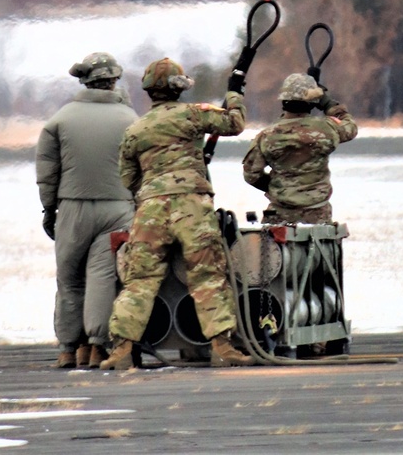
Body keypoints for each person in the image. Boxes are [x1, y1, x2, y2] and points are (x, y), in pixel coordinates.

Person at [101, 57, 252, 371]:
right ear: (179, 88)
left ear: (148, 92)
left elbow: (128, 179)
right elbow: (234, 124)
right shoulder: (194, 115)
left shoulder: (135, 130)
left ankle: (121, 352)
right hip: (192, 207)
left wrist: (153, 189)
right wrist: (235, 93)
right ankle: (222, 348)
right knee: (208, 276)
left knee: (139, 280)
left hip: (151, 208)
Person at [36, 51, 137, 369]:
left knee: (69, 279)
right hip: (119, 208)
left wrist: (49, 209)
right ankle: (96, 346)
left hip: (72, 207)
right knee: (103, 277)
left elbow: (48, 171)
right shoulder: (131, 120)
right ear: (113, 82)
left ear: (84, 81)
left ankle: (68, 349)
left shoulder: (60, 120)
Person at [242, 73, 358, 224]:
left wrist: (280, 187)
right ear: (312, 103)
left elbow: (251, 174)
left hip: (279, 214)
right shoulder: (327, 129)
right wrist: (327, 102)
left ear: (284, 100)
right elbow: (350, 127)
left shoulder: (266, 136)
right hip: (318, 214)